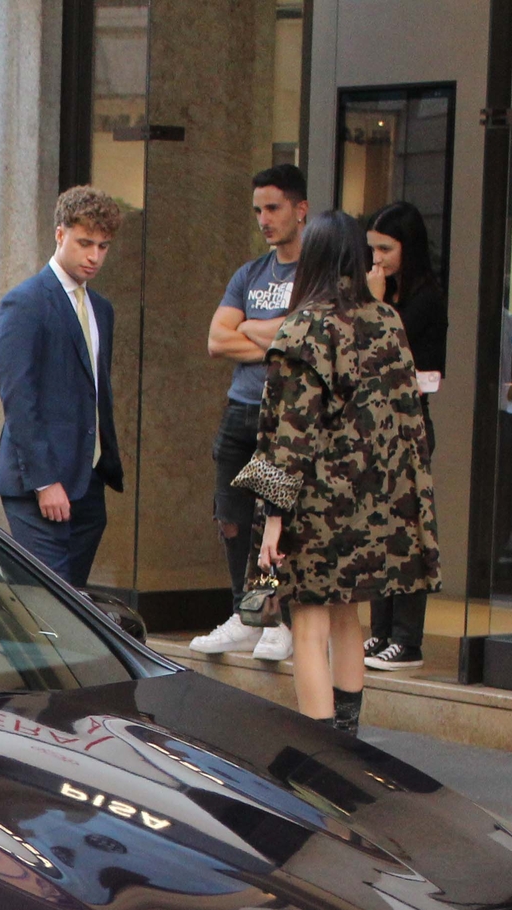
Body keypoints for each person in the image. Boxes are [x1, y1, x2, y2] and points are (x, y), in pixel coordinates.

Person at [233, 209, 440, 741]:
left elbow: (289, 434)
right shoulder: (388, 321)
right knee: (350, 616)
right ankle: (347, 743)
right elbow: (408, 416)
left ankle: (319, 753)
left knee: (309, 621)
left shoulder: (304, 327)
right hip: (377, 501)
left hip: (316, 502)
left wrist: (273, 525)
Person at [189, 163, 311, 664]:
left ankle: (276, 616)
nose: (264, 219)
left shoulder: (315, 272)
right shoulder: (250, 272)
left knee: (274, 523)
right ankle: (245, 613)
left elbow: (303, 336)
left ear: (301, 209)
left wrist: (261, 330)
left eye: (274, 208)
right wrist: (276, 334)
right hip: (240, 410)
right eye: (258, 209)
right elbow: (217, 340)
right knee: (233, 519)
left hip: (282, 416)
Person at [0, 186, 125, 589]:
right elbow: (18, 397)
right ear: (60, 234)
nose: (94, 256)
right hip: (38, 482)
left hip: (88, 480)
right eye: (85, 243)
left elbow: (95, 391)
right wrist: (45, 481)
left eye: (103, 246)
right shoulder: (25, 302)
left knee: (71, 607)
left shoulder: (101, 308)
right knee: (48, 604)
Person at [360, 200, 447, 672]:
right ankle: (379, 632)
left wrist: (376, 303)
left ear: (407, 248)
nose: (378, 258)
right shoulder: (383, 290)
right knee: (377, 528)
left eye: (386, 249)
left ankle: (406, 638)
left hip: (409, 423)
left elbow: (395, 354)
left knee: (405, 530)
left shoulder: (424, 298)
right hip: (375, 422)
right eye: (372, 248)